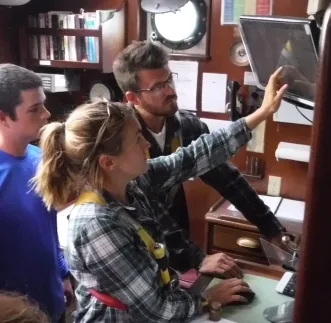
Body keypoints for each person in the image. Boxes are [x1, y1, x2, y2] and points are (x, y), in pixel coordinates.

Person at [32, 68, 287, 322]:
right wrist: (209, 298)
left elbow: (193, 156)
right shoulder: (97, 225)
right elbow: (157, 309)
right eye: (137, 140)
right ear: (109, 162)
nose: (146, 145)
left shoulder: (131, 182)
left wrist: (260, 114)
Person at [112, 40, 288, 275]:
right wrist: (197, 258)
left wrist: (272, 230)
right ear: (132, 98)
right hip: (140, 252)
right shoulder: (122, 144)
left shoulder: (188, 126)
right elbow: (151, 211)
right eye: (157, 88)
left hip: (178, 237)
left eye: (169, 80)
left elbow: (228, 180)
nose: (171, 91)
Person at [0, 64, 73, 322]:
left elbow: (47, 228)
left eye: (43, 104)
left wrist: (62, 274)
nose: (46, 114)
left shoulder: (41, 159)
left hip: (53, 302)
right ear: (3, 117)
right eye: (34, 109)